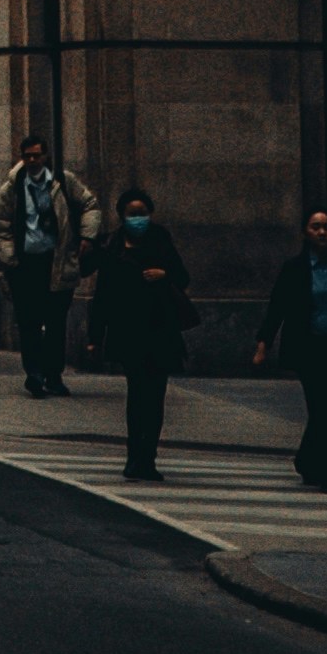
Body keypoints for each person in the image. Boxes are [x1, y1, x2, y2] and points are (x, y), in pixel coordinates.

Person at [252, 203, 327, 487]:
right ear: (305, 233)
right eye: (316, 227)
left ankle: (306, 458)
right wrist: (263, 343)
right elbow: (277, 306)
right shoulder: (295, 268)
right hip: (309, 346)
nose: (322, 232)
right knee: (321, 406)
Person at [87, 185, 195, 480]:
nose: (139, 219)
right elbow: (103, 295)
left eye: (143, 214)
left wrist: (164, 274)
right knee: (137, 395)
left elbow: (183, 276)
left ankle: (149, 457)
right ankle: (134, 455)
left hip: (161, 329)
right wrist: (94, 337)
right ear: (122, 216)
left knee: (155, 396)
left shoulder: (161, 240)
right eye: (133, 214)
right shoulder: (112, 246)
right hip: (129, 330)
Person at [0, 133, 87, 397]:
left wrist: (87, 237)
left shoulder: (63, 182)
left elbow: (89, 205)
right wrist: (9, 256)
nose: (32, 160)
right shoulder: (11, 188)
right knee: (28, 322)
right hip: (25, 264)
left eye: (37, 155)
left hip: (56, 262)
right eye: (27, 156)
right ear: (21, 158)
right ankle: (33, 373)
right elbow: (2, 226)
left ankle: (54, 375)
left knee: (56, 322)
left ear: (46, 156)